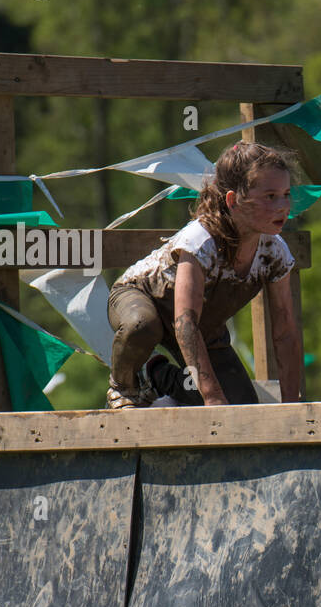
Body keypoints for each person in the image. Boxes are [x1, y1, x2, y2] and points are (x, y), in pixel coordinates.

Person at [106, 142, 302, 409]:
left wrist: (293, 405)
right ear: (233, 201)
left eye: (286, 194)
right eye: (270, 196)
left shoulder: (275, 253)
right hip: (144, 299)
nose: (283, 206)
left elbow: (285, 332)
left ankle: (158, 376)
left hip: (202, 325)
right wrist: (211, 396)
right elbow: (185, 323)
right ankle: (126, 385)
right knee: (142, 325)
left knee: (238, 406)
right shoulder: (200, 242)